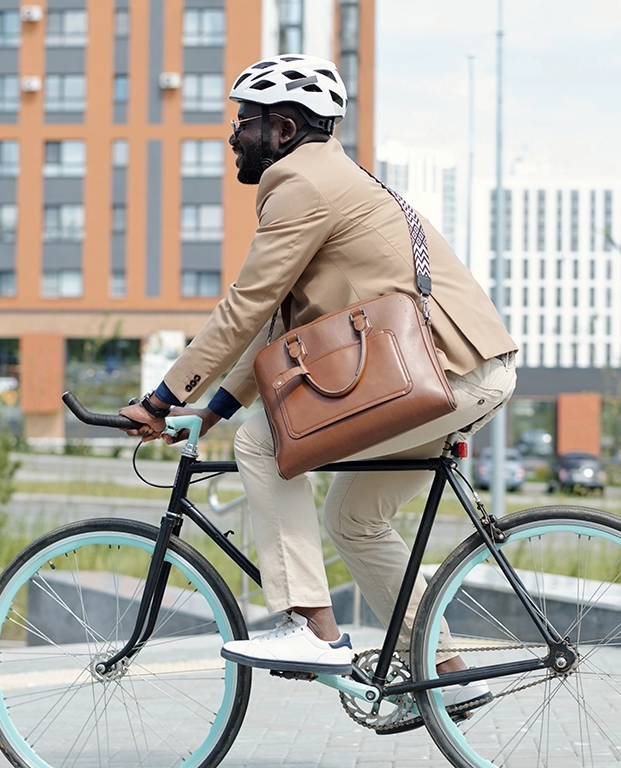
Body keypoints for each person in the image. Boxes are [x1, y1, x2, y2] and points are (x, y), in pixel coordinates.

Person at [121, 55, 517, 696]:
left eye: (243, 121)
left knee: (261, 442)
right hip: (460, 371)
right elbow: (273, 331)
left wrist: (165, 397)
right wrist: (205, 410)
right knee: (353, 521)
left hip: (441, 374)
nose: (233, 136)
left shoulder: (300, 184)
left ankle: (315, 628)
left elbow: (244, 306)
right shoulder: (334, 178)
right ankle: (447, 676)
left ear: (282, 129)